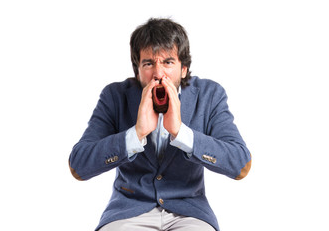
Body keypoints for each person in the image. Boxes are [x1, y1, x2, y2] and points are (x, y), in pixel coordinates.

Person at [69, 18, 252, 231]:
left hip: (189, 211)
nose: (158, 73)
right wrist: (135, 134)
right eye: (148, 63)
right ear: (137, 70)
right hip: (129, 210)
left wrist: (181, 133)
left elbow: (240, 164)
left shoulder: (210, 95)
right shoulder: (114, 96)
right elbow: (78, 166)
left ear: (183, 68)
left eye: (168, 62)